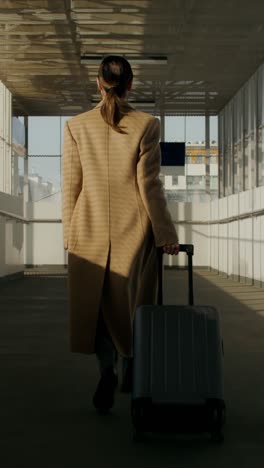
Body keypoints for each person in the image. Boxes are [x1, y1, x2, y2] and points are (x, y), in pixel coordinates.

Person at [62, 55, 180, 414]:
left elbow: (71, 187)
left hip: (89, 229)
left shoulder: (75, 126)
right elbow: (150, 187)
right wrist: (165, 233)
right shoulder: (147, 124)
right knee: (132, 305)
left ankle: (106, 371)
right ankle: (131, 365)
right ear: (130, 86)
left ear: (99, 84)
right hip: (135, 229)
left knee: (98, 306)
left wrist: (70, 236)